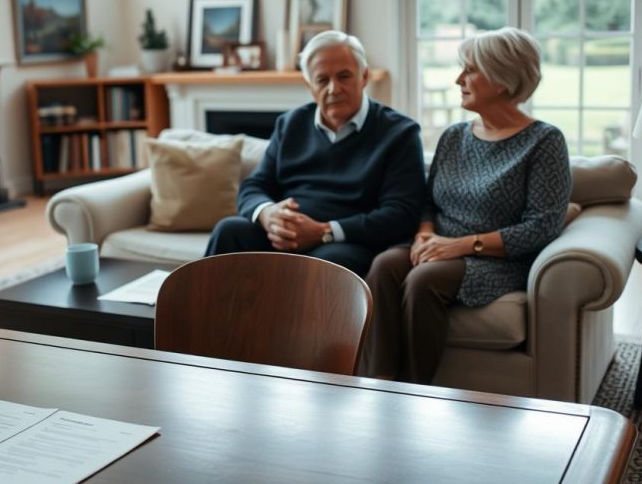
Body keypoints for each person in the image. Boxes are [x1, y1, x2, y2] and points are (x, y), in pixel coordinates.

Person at [360, 26, 571, 383]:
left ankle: (415, 392)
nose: (459, 79)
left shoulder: (544, 142)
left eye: (470, 70)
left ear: (502, 80)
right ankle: (377, 385)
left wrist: (460, 246)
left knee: (423, 280)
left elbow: (542, 226)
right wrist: (425, 236)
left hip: (497, 260)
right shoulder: (455, 136)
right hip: (441, 244)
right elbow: (428, 201)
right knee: (383, 266)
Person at [204, 30, 427, 277]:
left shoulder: (400, 132)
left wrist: (325, 231)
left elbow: (400, 215)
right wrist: (268, 215)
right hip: (285, 236)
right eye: (322, 80)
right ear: (309, 85)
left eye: (344, 76)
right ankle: (206, 317)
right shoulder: (290, 124)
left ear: (364, 77)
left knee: (327, 264)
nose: (334, 89)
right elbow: (254, 186)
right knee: (229, 230)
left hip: (347, 241)